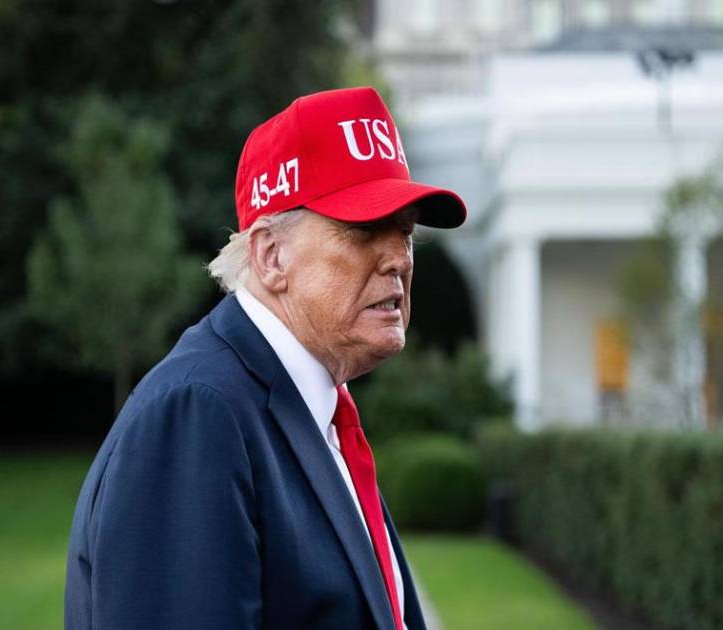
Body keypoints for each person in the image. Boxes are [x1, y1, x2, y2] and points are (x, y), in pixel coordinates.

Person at [63, 86, 467, 630]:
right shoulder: (197, 413)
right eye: (364, 230)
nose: (398, 258)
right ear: (271, 255)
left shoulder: (311, 408)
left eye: (405, 232)